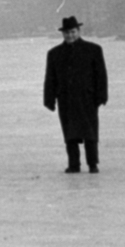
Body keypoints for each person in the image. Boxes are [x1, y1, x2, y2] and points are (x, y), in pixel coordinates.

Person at [43, 16, 108, 173]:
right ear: (63, 34)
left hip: (88, 98)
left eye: (72, 32)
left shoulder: (93, 50)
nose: (70, 35)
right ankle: (74, 164)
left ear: (78, 31)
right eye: (66, 33)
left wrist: (101, 96)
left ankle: (92, 164)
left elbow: (101, 75)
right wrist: (49, 99)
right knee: (69, 134)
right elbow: (50, 79)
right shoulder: (54, 53)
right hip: (66, 99)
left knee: (90, 133)